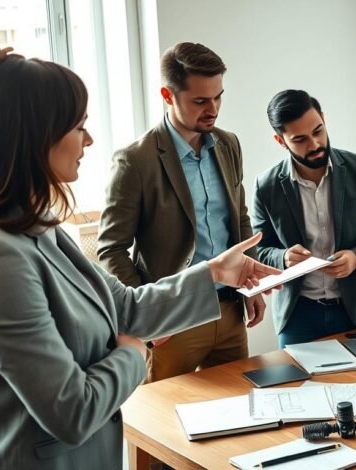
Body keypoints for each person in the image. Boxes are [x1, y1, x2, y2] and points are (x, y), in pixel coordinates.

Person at [0, 38, 278, 469]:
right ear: (33, 138)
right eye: (79, 126)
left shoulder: (36, 223)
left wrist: (214, 272)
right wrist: (134, 355)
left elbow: (121, 305)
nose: (90, 138)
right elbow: (71, 410)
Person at [98, 42, 264, 382]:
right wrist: (146, 315)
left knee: (243, 413)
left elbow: (240, 220)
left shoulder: (229, 144)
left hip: (230, 311)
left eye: (218, 97)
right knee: (165, 424)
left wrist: (253, 287)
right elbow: (111, 249)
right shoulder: (135, 160)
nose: (213, 108)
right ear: (167, 94)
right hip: (172, 321)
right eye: (200, 101)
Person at [253, 89, 356, 347]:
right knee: (297, 387)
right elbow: (258, 248)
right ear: (281, 141)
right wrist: (283, 258)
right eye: (300, 139)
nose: (314, 144)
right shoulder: (266, 186)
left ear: (323, 118)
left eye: (318, 131)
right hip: (298, 315)